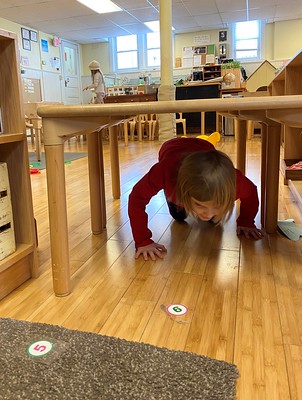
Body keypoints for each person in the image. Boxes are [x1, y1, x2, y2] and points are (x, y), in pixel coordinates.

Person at [128, 137, 263, 261]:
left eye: (217, 205)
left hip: (204, 146)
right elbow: (136, 198)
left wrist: (246, 221)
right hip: (171, 148)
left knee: (213, 221)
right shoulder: (165, 172)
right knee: (179, 216)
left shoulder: (234, 181)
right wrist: (143, 241)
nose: (208, 213)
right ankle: (183, 203)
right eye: (200, 205)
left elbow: (251, 192)